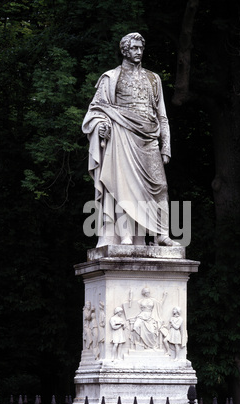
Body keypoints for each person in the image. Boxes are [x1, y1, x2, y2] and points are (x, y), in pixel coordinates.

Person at [82, 32, 179, 247]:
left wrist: (166, 147)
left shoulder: (154, 79)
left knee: (160, 186)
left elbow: (162, 115)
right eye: (134, 48)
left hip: (149, 138)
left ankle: (162, 233)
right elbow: (97, 110)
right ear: (125, 50)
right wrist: (101, 127)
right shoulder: (111, 78)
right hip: (122, 136)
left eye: (140, 48)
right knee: (122, 186)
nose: (138, 52)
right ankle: (125, 234)